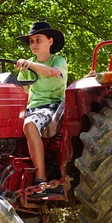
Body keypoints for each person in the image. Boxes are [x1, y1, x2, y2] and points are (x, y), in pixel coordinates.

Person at [15, 21, 68, 196]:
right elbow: (22, 91)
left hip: (51, 107)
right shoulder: (28, 64)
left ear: (50, 41)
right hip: (32, 108)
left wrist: (30, 65)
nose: (34, 44)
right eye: (31, 41)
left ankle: (41, 178)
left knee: (29, 124)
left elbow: (52, 72)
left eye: (38, 39)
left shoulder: (58, 61)